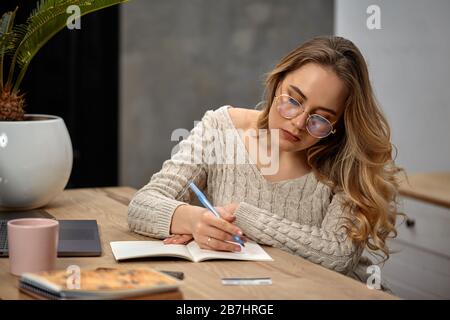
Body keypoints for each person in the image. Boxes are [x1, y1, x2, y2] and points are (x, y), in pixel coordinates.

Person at [127, 35, 403, 290]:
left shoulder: (345, 161)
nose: (297, 123)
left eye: (320, 119)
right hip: (244, 291)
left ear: (339, 124)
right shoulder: (220, 129)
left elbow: (338, 255)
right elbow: (143, 205)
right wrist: (196, 220)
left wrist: (240, 217)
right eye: (293, 100)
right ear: (276, 83)